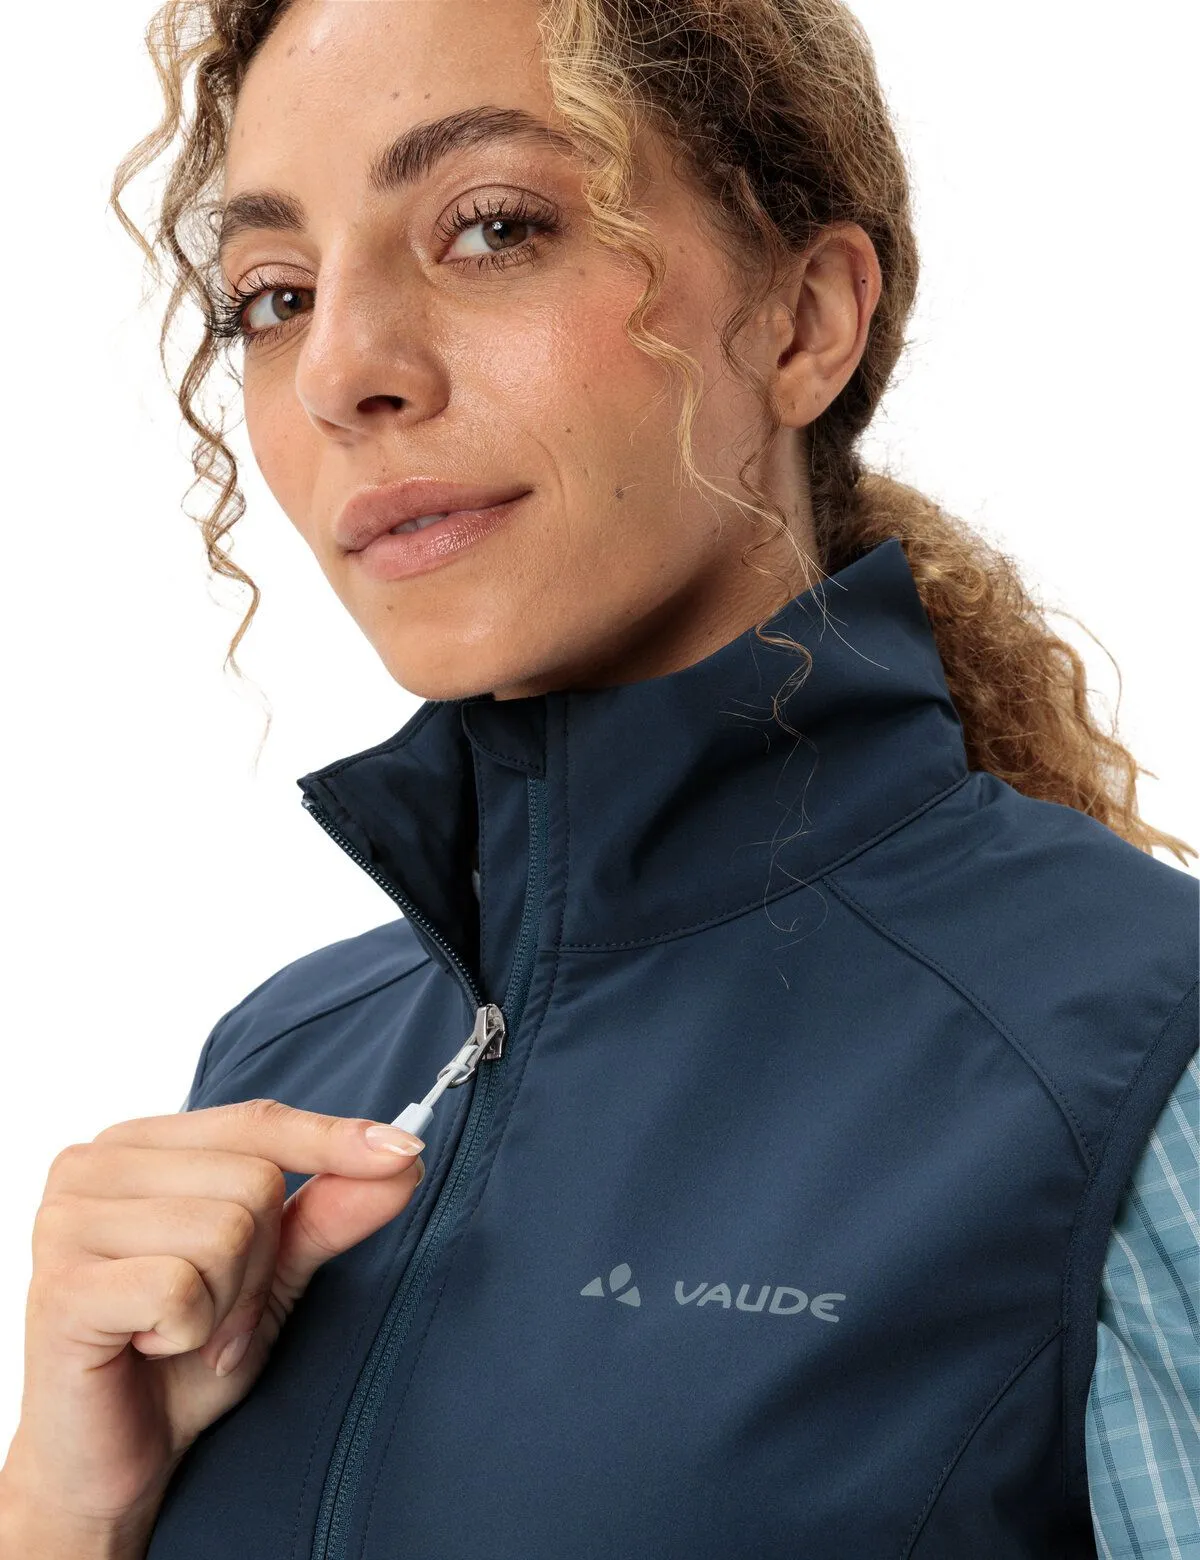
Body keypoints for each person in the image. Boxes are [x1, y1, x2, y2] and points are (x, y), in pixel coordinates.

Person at [1, 0, 1195, 1555]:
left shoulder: (1142, 1058)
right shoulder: (285, 1066)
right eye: (275, 297)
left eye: (494, 228)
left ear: (802, 321)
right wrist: (68, 1506)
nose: (341, 369)